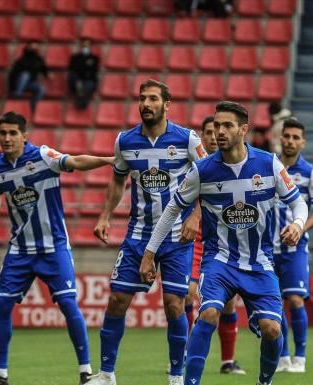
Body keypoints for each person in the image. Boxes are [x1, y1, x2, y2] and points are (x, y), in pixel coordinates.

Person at [141, 101, 308, 385]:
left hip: (260, 262)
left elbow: (298, 203)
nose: (220, 131)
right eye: (217, 125)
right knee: (207, 312)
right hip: (219, 260)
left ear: (244, 130)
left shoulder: (268, 164)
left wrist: (297, 224)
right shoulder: (202, 170)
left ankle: (264, 381)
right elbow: (172, 210)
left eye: (227, 125)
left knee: (271, 329)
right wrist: (149, 254)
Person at [0, 111, 114, 385]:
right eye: (2, 132)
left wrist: (108, 160)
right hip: (20, 250)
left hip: (54, 248)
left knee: (67, 303)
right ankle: (0, 375)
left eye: (13, 133)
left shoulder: (43, 156)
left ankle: (86, 372)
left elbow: (74, 160)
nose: (7, 138)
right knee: (2, 305)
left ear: (24, 136)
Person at [86, 80, 207, 385]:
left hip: (178, 236)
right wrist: (104, 216)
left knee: (174, 305)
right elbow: (117, 181)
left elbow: (212, 179)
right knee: (116, 300)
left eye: (153, 99)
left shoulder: (187, 140)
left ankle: (177, 376)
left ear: (167, 105)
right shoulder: (125, 141)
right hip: (138, 234)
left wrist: (196, 215)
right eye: (142, 98)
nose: (146, 104)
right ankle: (107, 374)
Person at [184, 115, 246, 375]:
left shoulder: (235, 165)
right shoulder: (195, 166)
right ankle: (186, 353)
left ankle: (227, 361)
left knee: (228, 303)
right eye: (208, 132)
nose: (213, 135)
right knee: (187, 294)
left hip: (222, 242)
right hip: (192, 240)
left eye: (217, 130)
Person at [273, 118, 313, 373]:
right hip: (265, 249)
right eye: (287, 136)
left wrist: (299, 228)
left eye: (296, 137)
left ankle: (301, 358)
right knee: (274, 302)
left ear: (303, 142)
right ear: (280, 138)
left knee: (295, 300)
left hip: (294, 249)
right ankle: (283, 357)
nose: (291, 141)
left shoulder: (310, 172)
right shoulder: (268, 167)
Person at [8, 41, 51, 112]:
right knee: (25, 75)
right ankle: (17, 96)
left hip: (30, 84)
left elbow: (44, 69)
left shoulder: (39, 59)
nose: (35, 49)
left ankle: (33, 107)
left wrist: (48, 74)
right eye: (32, 47)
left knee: (41, 89)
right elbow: (13, 74)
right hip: (18, 83)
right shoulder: (21, 59)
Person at [68, 39, 100, 110]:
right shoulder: (75, 57)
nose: (85, 46)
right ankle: (81, 97)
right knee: (74, 79)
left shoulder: (94, 58)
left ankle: (81, 96)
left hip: (87, 80)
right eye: (84, 45)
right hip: (77, 79)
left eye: (87, 45)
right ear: (81, 46)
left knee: (89, 85)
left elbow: (94, 72)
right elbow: (72, 69)